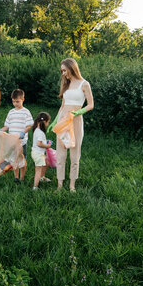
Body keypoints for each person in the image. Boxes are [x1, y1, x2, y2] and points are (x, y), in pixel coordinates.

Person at [47, 58, 94, 192]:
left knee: (74, 153)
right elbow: (62, 106)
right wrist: (55, 121)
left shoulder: (84, 84)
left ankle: (72, 185)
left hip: (76, 121)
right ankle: (60, 185)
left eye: (64, 70)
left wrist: (78, 112)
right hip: (63, 121)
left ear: (72, 68)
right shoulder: (65, 84)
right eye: (61, 71)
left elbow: (91, 105)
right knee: (61, 154)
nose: (63, 73)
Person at [0, 89, 34, 184]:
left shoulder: (26, 112)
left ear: (23, 99)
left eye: (17, 101)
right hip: (13, 141)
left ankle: (22, 178)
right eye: (13, 101)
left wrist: (23, 132)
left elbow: (29, 125)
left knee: (22, 160)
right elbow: (7, 125)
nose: (15, 104)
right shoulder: (11, 112)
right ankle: (16, 178)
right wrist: (1, 130)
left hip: (22, 142)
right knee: (14, 159)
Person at [31, 112, 52, 190]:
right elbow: (39, 144)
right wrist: (47, 146)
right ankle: (35, 187)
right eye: (48, 122)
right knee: (38, 170)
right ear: (44, 122)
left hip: (36, 153)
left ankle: (42, 177)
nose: (48, 124)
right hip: (38, 154)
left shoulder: (37, 129)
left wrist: (45, 142)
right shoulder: (40, 132)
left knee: (47, 162)